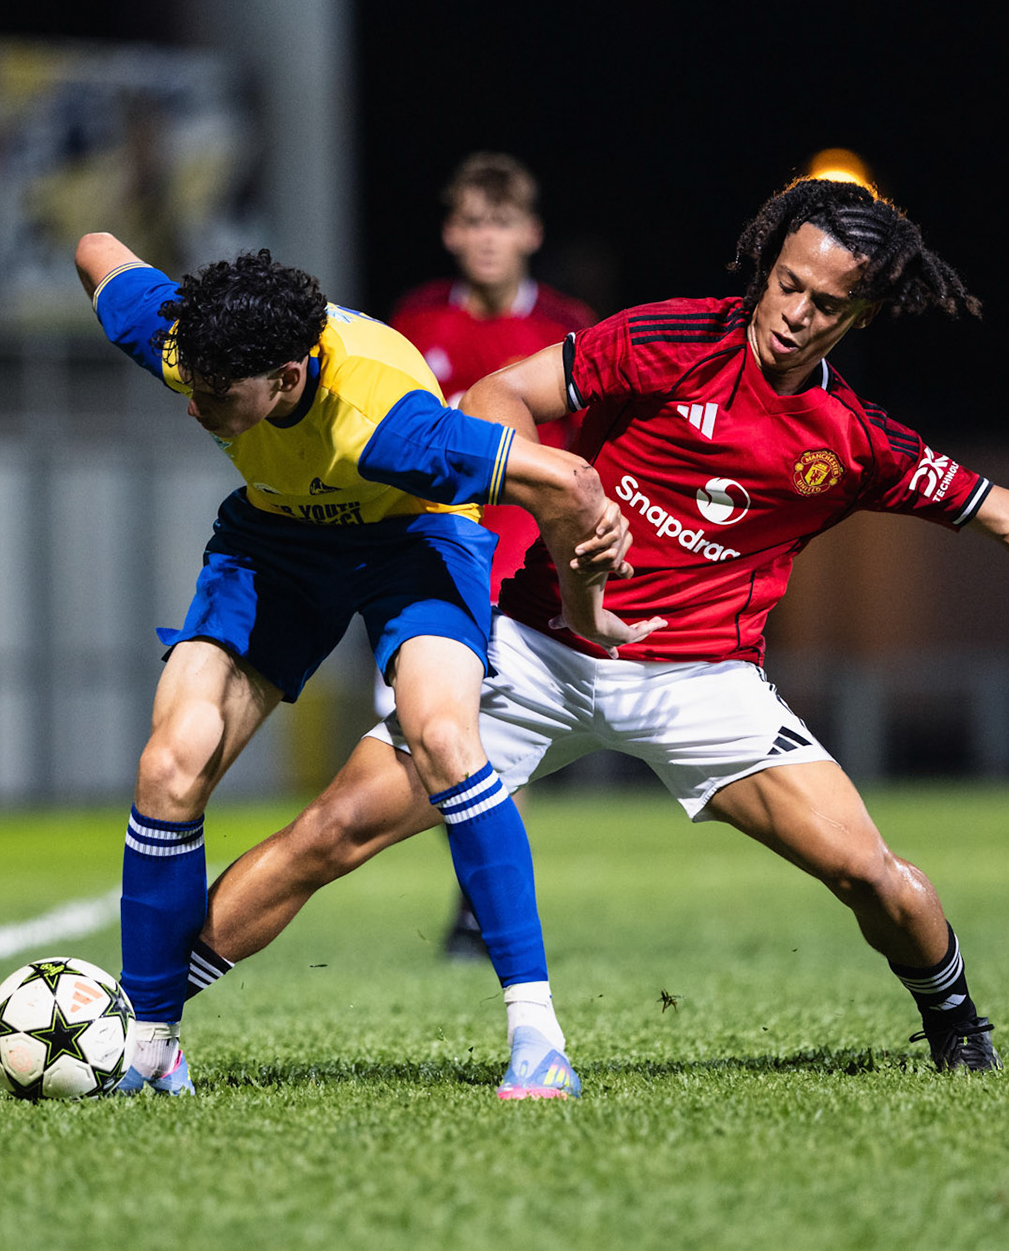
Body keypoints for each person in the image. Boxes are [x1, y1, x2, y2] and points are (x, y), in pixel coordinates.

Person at [184, 178, 1009, 1090]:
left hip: (700, 681)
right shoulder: (667, 340)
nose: (795, 311)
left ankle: (954, 1020)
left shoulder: (852, 439)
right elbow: (504, 394)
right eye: (787, 283)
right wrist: (553, 500)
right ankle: (149, 1018)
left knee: (875, 876)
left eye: (827, 302)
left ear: (862, 316)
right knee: (334, 828)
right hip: (541, 647)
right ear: (766, 266)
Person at [74, 232, 651, 1095]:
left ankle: (538, 1040)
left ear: (289, 376)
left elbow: (567, 482)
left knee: (446, 738)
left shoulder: (389, 425)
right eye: (188, 385)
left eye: (215, 396)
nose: (192, 409)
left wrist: (584, 601)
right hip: (276, 539)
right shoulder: (193, 342)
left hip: (411, 537)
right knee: (171, 761)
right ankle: (153, 1045)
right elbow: (95, 249)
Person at [389, 152, 596, 959]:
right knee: (436, 735)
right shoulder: (417, 322)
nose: (486, 238)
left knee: (481, 729)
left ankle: (483, 913)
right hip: (433, 546)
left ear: (530, 233)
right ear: (450, 230)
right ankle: (476, 901)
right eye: (473, 221)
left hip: (521, 556)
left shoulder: (565, 328)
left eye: (501, 222)